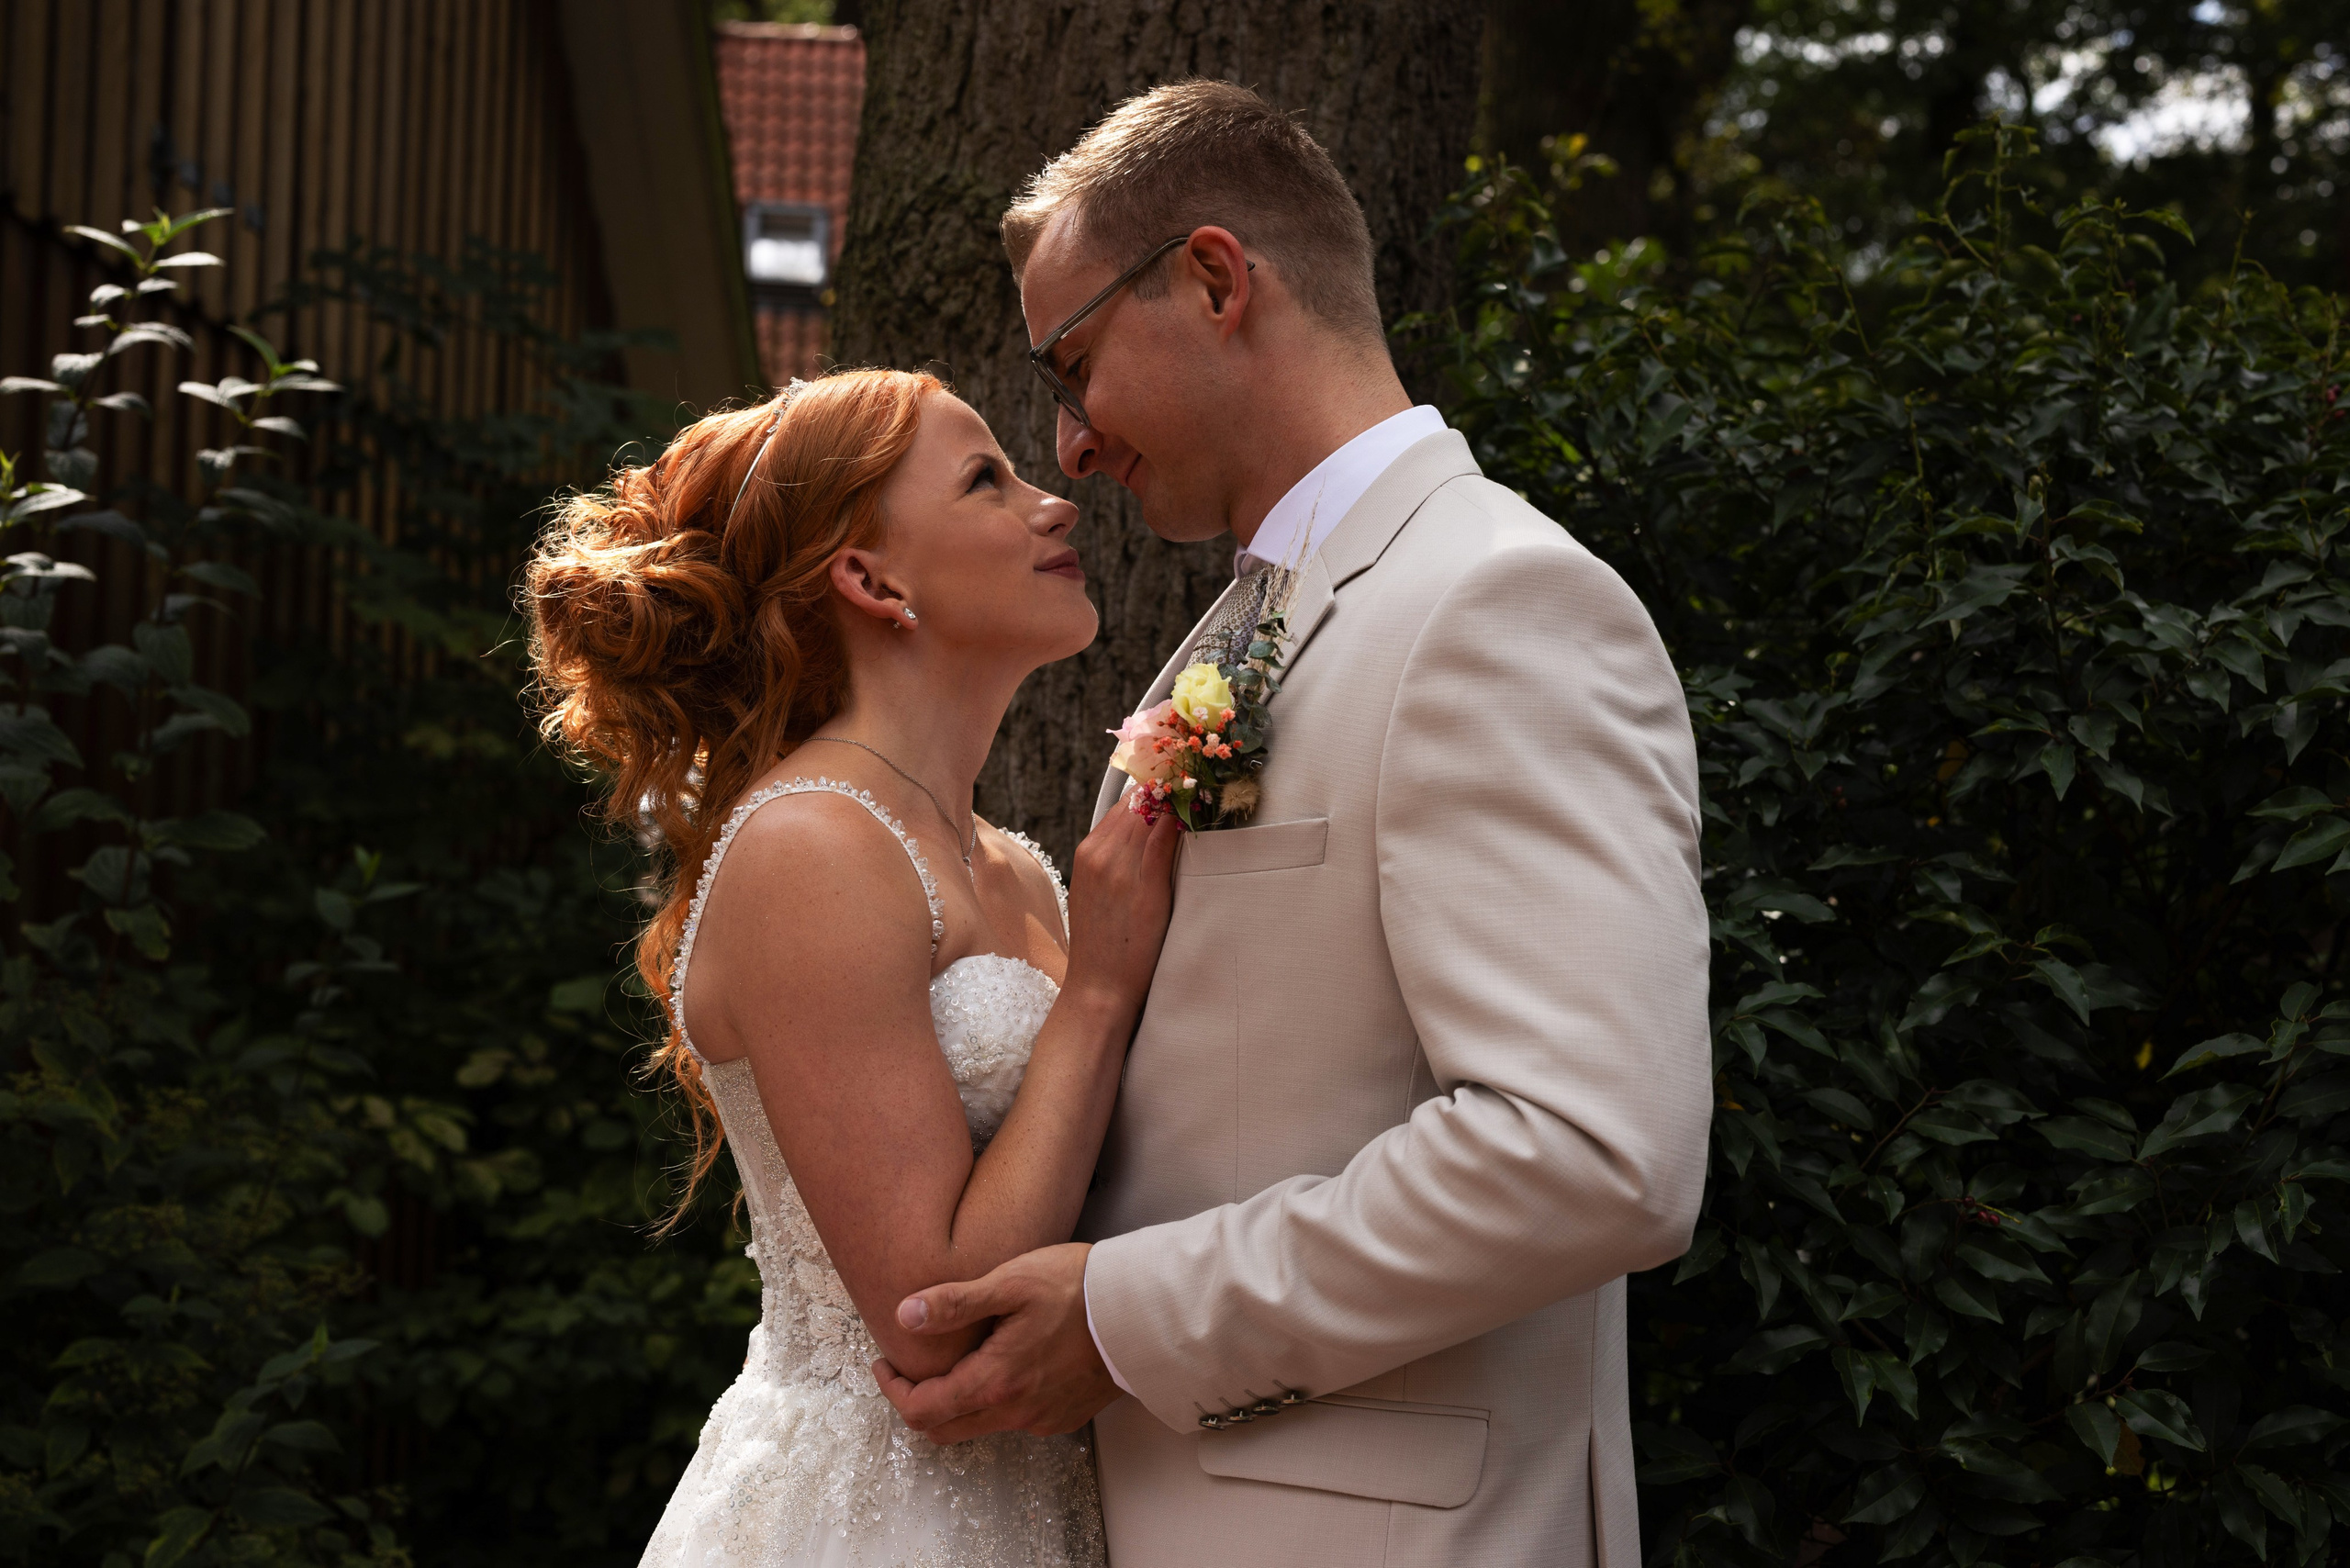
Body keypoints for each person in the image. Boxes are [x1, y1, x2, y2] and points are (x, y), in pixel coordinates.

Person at [870, 82, 1715, 1567]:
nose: (1069, 447)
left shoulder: (1495, 603)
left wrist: (1132, 1319)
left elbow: (1591, 1150)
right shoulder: (1229, 635)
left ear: (1213, 280)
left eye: (1073, 367)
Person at [526, 369, 1177, 1567]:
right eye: (989, 479)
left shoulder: (1019, 872)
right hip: (873, 1516)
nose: (1056, 504)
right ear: (872, 581)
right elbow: (932, 1321)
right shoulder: (810, 846)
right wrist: (1099, 993)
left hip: (1057, 1499)